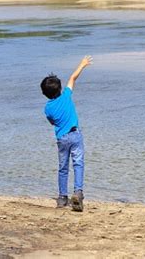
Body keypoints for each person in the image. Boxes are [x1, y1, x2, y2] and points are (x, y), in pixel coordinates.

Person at [40, 56, 93, 212]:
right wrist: (82, 64)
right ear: (60, 88)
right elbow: (73, 77)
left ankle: (62, 197)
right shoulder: (66, 96)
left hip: (62, 138)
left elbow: (52, 122)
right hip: (75, 134)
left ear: (45, 94)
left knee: (63, 167)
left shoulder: (47, 108)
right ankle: (78, 192)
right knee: (78, 164)